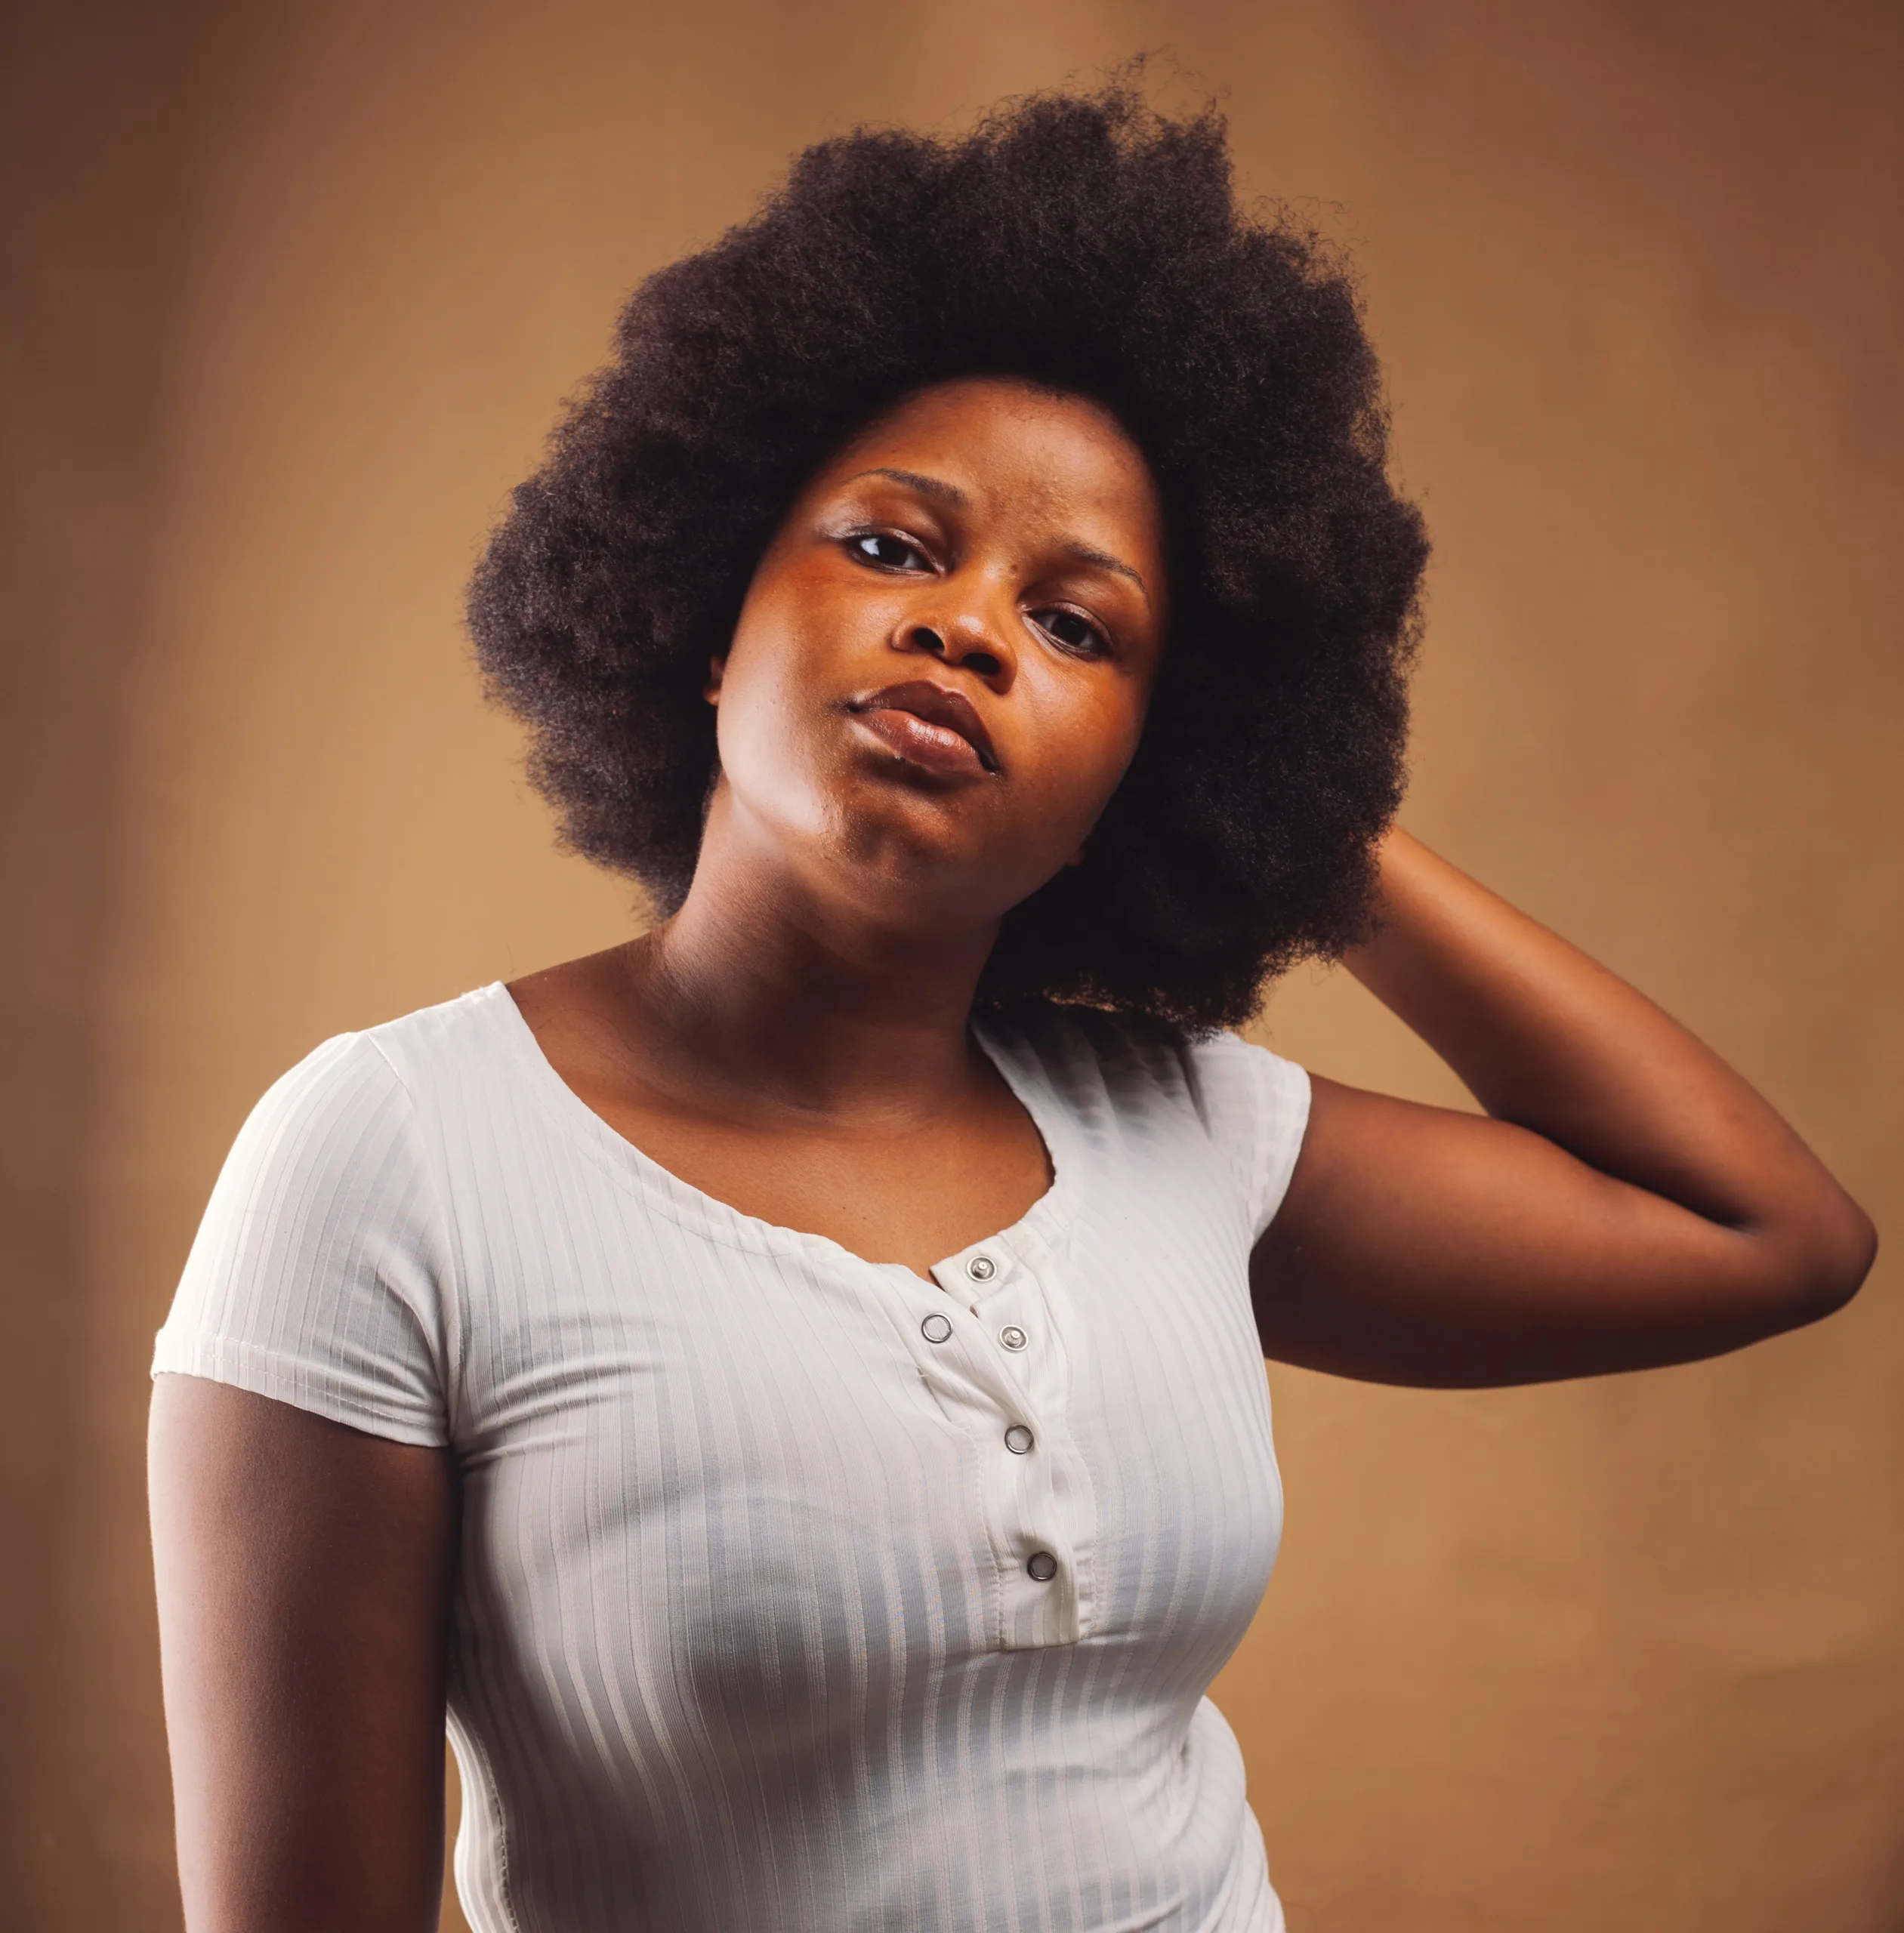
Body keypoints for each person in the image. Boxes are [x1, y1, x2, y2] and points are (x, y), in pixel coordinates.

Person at [147, 82, 1875, 1933]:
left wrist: (1296, 816)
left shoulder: (1178, 1124)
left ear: (1145, 764)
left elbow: (1768, 1232)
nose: (969, 626)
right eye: (895, 547)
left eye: (1079, 627)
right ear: (709, 613)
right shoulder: (393, 1157)